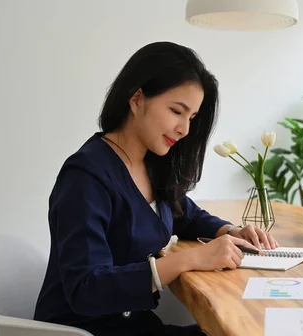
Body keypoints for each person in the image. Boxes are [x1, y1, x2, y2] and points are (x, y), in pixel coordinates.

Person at [33, 41, 279, 336]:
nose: (184, 129)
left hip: (134, 325)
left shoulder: (149, 165)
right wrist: (189, 259)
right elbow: (87, 287)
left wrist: (229, 232)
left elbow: (184, 214)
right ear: (137, 99)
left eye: (191, 118)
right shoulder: (86, 175)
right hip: (85, 329)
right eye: (177, 111)